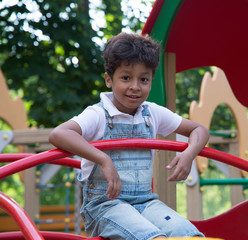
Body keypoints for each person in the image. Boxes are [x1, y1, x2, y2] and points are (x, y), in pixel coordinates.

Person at [49, 32, 209, 240]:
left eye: (143, 79)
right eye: (126, 78)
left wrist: (189, 154)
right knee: (155, 238)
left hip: (146, 203)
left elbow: (199, 130)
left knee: (190, 236)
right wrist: (103, 158)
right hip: (105, 207)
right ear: (109, 79)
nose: (135, 86)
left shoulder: (152, 113)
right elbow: (59, 134)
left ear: (151, 80)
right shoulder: (98, 115)